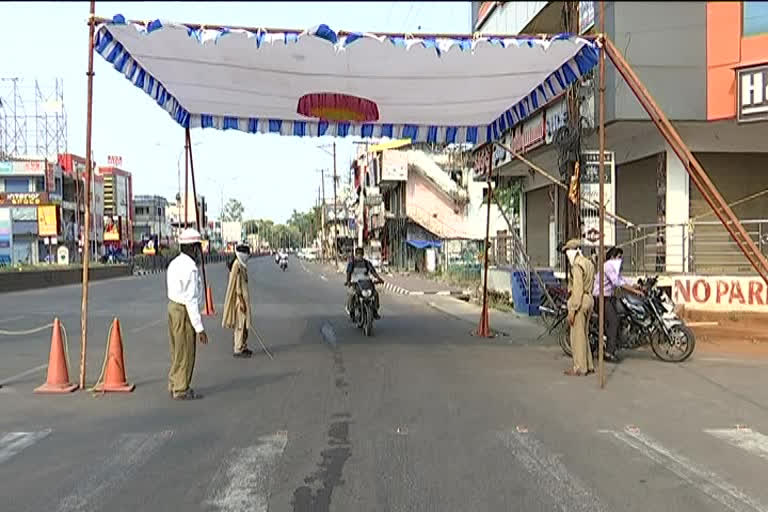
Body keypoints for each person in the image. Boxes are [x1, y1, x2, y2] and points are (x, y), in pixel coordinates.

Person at [166, 228, 208, 400]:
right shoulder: (190, 268)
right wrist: (199, 328)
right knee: (186, 350)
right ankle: (181, 388)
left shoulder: (174, 263)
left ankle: (174, 382)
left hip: (172, 306)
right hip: (183, 310)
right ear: (191, 248)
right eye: (198, 247)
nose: (199, 252)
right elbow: (191, 299)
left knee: (176, 349)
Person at [593, 246, 644, 362]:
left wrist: (636, 284)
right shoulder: (608, 266)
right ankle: (608, 352)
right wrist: (634, 291)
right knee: (613, 321)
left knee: (622, 314)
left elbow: (622, 279)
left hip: (609, 297)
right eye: (619, 257)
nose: (620, 260)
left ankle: (615, 341)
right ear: (612, 257)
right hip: (601, 298)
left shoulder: (613, 268)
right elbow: (617, 282)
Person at [562, 239, 596, 376]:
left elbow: (577, 289)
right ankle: (588, 364)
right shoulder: (588, 263)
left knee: (577, 337)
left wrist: (572, 310)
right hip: (589, 299)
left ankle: (580, 367)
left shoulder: (577, 266)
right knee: (584, 335)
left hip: (580, 301)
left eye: (567, 252)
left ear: (571, 251)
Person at [222, 243, 253, 358]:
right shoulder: (237, 266)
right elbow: (237, 287)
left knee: (245, 325)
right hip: (239, 301)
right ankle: (238, 348)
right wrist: (242, 302)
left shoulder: (241, 265)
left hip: (244, 299)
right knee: (240, 325)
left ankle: (243, 345)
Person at [345, 247, 383, 319]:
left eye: (361, 254)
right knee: (351, 294)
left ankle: (375, 311)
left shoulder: (366, 263)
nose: (359, 256)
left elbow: (373, 272)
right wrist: (348, 281)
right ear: (355, 255)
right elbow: (348, 273)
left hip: (366, 283)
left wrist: (379, 278)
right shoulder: (352, 263)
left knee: (375, 294)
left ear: (363, 255)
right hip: (356, 283)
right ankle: (351, 310)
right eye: (358, 254)